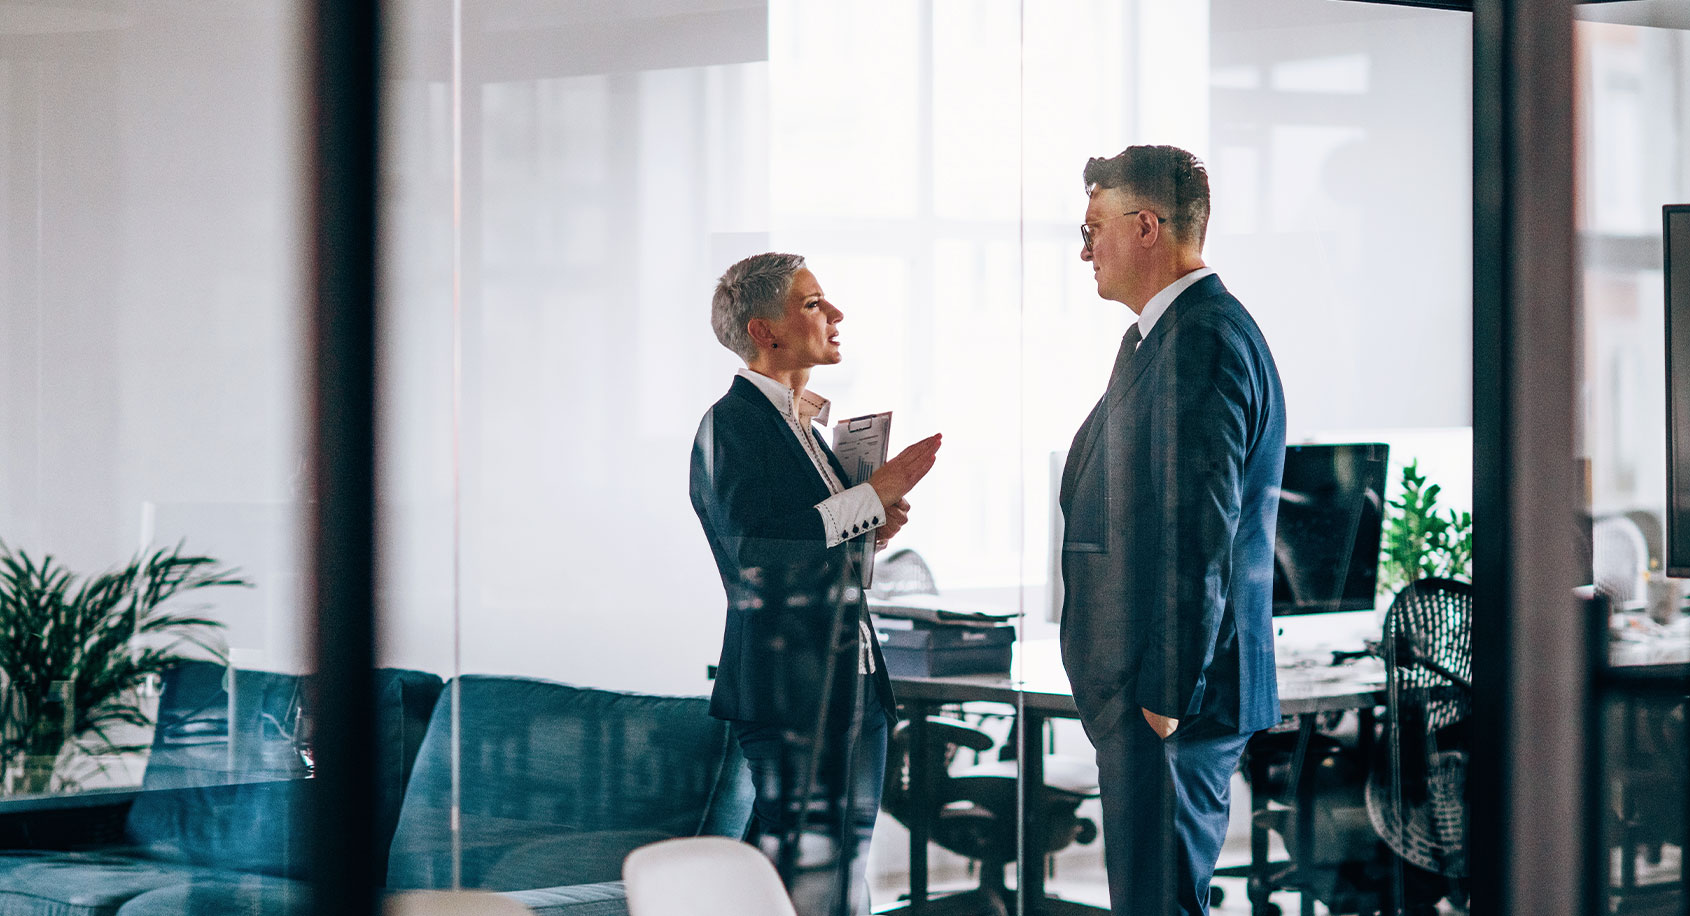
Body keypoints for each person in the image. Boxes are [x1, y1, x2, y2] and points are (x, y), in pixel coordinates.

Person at [1057, 146, 1286, 916]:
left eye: (1093, 228)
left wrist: (1162, 698)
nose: (1083, 248)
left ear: (1146, 226)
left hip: (1172, 704)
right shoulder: (1161, 338)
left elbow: (1200, 533)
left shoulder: (1204, 339)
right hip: (1155, 700)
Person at [689, 252, 942, 916]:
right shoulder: (732, 425)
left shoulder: (804, 428)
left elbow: (814, 547)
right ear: (764, 330)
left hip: (851, 689)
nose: (835, 315)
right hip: (790, 694)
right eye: (812, 303)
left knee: (838, 882)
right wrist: (871, 497)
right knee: (814, 884)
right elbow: (754, 551)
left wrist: (871, 529)